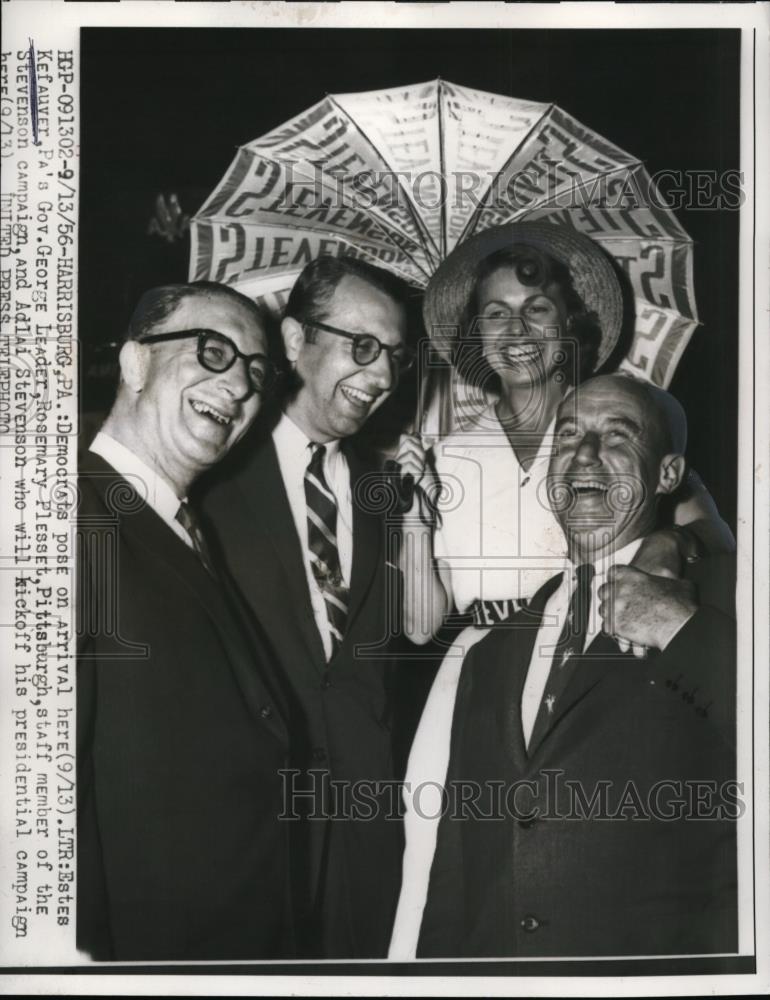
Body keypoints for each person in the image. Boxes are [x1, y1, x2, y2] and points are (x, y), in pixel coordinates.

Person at [388, 223, 734, 956]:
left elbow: (718, 546)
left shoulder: (614, 418)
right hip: (484, 681)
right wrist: (414, 523)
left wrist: (672, 541)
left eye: (537, 309)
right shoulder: (451, 447)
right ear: (474, 335)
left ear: (571, 324)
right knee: (453, 880)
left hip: (613, 664)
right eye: (495, 313)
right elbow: (423, 628)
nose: (517, 330)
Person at [199, 256, 414, 958]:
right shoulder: (210, 471)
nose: (381, 376)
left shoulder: (389, 491)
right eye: (361, 347)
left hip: (364, 828)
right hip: (246, 825)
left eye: (393, 356)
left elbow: (401, 643)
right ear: (294, 341)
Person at [77, 281, 294, 960]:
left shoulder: (182, 530)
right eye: (212, 351)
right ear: (135, 362)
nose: (238, 385)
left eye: (257, 373)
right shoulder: (68, 517)